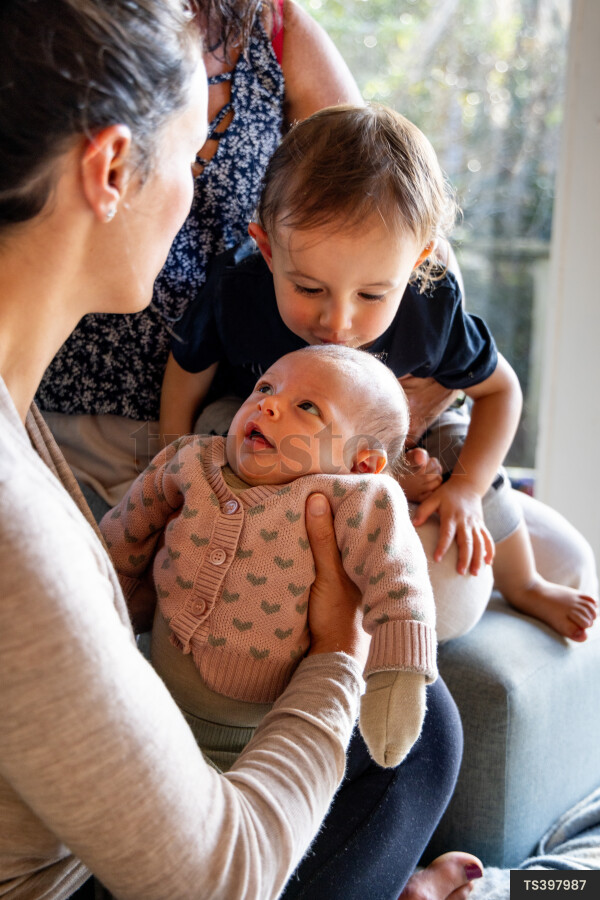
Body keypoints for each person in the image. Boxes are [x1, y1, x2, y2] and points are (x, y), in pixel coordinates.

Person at [0, 3, 483, 899]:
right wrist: (336, 650)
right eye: (192, 161)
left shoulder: (18, 424)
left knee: (427, 723)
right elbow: (221, 880)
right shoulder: (17, 532)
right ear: (112, 168)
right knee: (422, 744)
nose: (198, 206)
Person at [160, 103, 598, 643]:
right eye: (308, 288)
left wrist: (466, 487)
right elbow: (187, 371)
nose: (337, 322)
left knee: (467, 456)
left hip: (414, 425)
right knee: (219, 424)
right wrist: (172, 458)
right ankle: (385, 483)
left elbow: (501, 391)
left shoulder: (431, 309)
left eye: (372, 294)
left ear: (416, 266)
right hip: (287, 427)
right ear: (269, 252)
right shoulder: (237, 295)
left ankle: (526, 582)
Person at [36, 0, 364, 512]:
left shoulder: (278, 31)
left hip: (226, 416)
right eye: (183, 157)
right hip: (59, 400)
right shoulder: (70, 24)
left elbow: (377, 200)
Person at [101, 345, 437, 771]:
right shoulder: (190, 460)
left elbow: (399, 587)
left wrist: (398, 675)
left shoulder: (357, 499)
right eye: (265, 387)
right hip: (145, 695)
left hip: (256, 741)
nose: (269, 403)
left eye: (308, 406)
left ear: (362, 463)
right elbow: (120, 540)